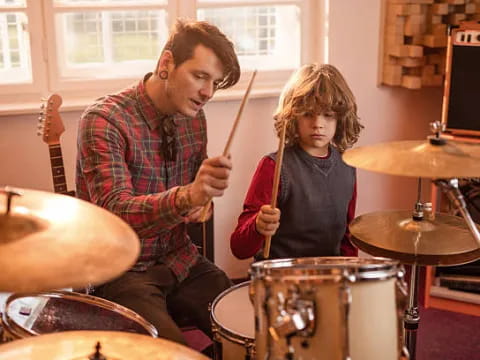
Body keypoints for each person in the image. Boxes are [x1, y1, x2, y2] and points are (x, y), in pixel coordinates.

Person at [76, 19, 240, 348]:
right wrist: (186, 197)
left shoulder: (194, 119)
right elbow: (115, 212)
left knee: (249, 327)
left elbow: (196, 198)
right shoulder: (104, 120)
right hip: (124, 272)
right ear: (167, 63)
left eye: (215, 82)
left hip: (181, 259)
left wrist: (203, 203)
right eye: (200, 76)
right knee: (170, 352)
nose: (208, 92)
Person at [230, 63, 363, 260]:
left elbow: (347, 239)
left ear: (340, 119)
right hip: (282, 279)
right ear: (293, 116)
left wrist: (352, 273)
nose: (318, 124)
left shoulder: (347, 166)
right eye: (308, 114)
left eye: (328, 115)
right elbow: (239, 248)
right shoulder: (273, 166)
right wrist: (258, 225)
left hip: (330, 276)